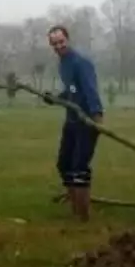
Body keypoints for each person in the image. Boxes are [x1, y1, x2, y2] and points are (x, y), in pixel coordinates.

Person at [42, 25, 103, 222]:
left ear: (67, 39)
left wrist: (97, 117)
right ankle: (74, 203)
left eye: (61, 41)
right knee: (64, 164)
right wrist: (55, 98)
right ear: (51, 45)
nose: (59, 46)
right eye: (55, 43)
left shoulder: (81, 62)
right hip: (72, 120)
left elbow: (90, 89)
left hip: (86, 121)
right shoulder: (63, 64)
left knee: (79, 166)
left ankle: (83, 215)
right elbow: (72, 90)